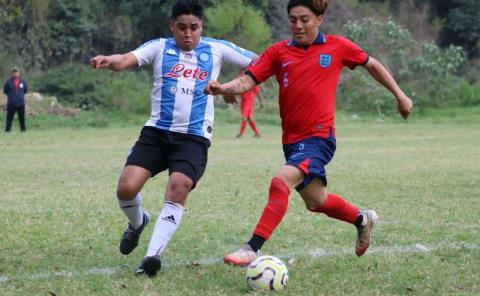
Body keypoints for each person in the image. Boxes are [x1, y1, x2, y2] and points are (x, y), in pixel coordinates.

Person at [205, 0, 413, 266]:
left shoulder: (338, 46)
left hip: (319, 137)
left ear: (319, 19)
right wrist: (224, 89)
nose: (298, 25)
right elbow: (248, 80)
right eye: (293, 20)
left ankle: (251, 247)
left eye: (304, 19)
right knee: (316, 202)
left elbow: (372, 64)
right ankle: (363, 219)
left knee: (281, 182)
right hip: (292, 142)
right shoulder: (278, 53)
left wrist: (400, 95)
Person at [90, 0, 257, 276]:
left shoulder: (216, 48)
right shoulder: (159, 47)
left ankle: (151, 257)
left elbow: (260, 62)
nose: (188, 34)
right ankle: (137, 223)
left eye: (194, 27)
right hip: (156, 133)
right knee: (126, 189)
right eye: (182, 28)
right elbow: (126, 59)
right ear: (172, 27)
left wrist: (231, 86)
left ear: (201, 26)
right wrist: (110, 61)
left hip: (194, 137)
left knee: (178, 187)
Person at [3, 68, 27, 132]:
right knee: (9, 118)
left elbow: (25, 91)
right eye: (14, 72)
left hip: (20, 103)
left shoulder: (23, 82)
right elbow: (5, 91)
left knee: (21, 118)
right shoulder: (8, 82)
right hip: (11, 103)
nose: (15, 73)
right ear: (12, 73)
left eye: (16, 72)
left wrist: (20, 96)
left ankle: (23, 130)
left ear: (19, 73)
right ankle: (7, 130)